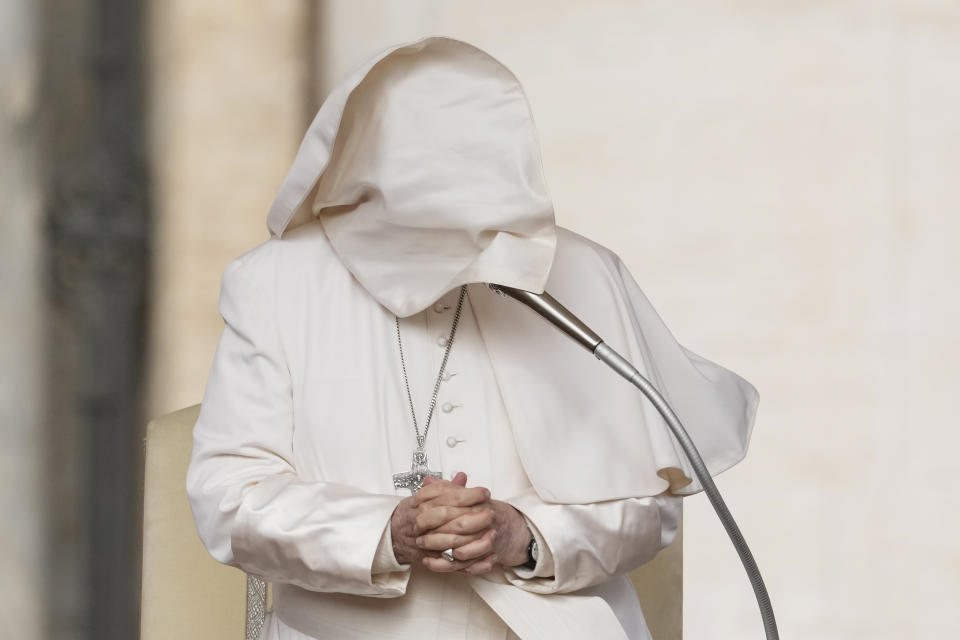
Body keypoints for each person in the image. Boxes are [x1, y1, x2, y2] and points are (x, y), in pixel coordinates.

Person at [187, 36, 758, 640]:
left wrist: (525, 534)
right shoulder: (278, 282)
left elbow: (649, 506)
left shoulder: (582, 276)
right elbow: (228, 497)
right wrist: (384, 530)